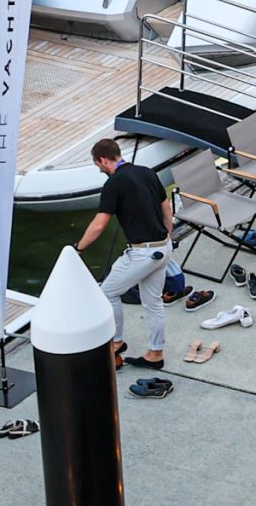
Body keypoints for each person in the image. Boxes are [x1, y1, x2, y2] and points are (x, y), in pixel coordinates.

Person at [78, 138, 173, 371]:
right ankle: (155, 354)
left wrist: (78, 247)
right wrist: (166, 238)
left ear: (102, 160)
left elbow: (100, 224)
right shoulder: (147, 172)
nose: (99, 169)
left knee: (107, 293)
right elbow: (166, 207)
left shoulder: (114, 183)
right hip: (163, 247)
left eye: (97, 165)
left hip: (143, 253)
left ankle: (116, 342)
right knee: (153, 303)